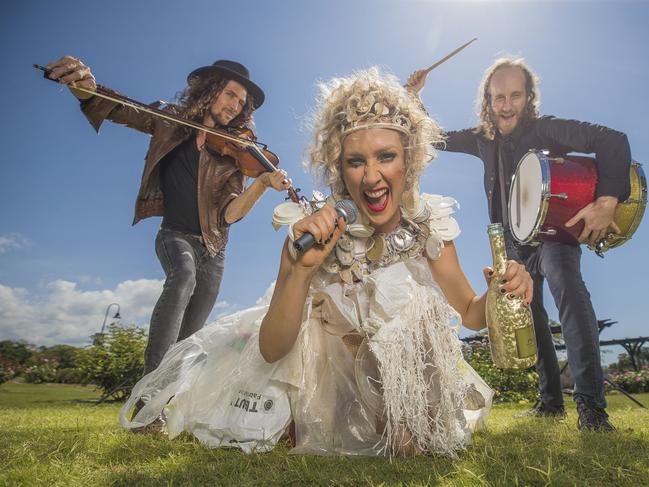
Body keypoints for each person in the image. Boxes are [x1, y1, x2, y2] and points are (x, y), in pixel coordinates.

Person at [119, 68, 533, 457]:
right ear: (339, 167)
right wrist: (296, 271)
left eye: (385, 156)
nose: (371, 177)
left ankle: (400, 419)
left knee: (417, 315)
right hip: (321, 380)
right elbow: (272, 349)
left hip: (402, 375)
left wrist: (503, 291)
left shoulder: (429, 228)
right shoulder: (318, 229)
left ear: (409, 160)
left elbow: (472, 315)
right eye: (356, 161)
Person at [406, 56, 632, 432]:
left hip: (552, 237)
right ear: (488, 101)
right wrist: (415, 97)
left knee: (571, 299)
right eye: (499, 97)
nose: (506, 105)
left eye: (514, 96)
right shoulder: (482, 139)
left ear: (528, 98)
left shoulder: (547, 130)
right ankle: (549, 403)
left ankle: (592, 409)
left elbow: (613, 141)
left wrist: (606, 202)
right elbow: (434, 136)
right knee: (532, 319)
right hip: (512, 243)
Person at [44, 56, 292, 377]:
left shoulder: (233, 153)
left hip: (214, 251)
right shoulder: (172, 122)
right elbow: (123, 111)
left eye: (242, 103)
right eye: (231, 94)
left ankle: (166, 403)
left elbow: (229, 215)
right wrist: (87, 90)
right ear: (210, 89)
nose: (235, 106)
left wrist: (260, 183)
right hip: (175, 235)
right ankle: (146, 395)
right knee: (183, 275)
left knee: (189, 336)